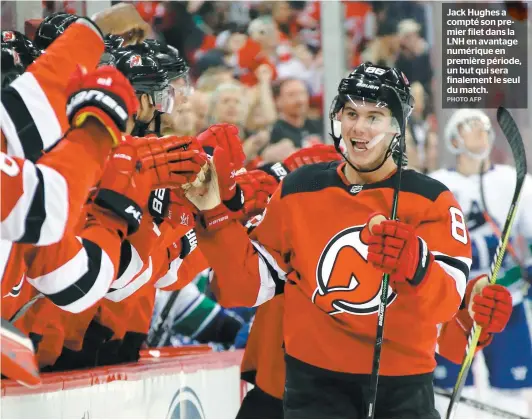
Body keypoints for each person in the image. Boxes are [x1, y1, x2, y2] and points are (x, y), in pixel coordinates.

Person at [185, 62, 473, 418]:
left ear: (397, 127)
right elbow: (246, 287)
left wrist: (416, 263)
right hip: (314, 388)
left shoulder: (432, 199)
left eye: (374, 116)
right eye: (351, 113)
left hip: (400, 390)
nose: (359, 127)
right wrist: (215, 214)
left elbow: (446, 303)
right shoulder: (299, 187)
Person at [430, 109, 532, 415]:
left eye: (484, 128)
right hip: (452, 305)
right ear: (454, 138)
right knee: (446, 388)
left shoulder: (515, 181)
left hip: (505, 299)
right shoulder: (436, 184)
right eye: (471, 127)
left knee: (512, 389)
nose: (481, 133)